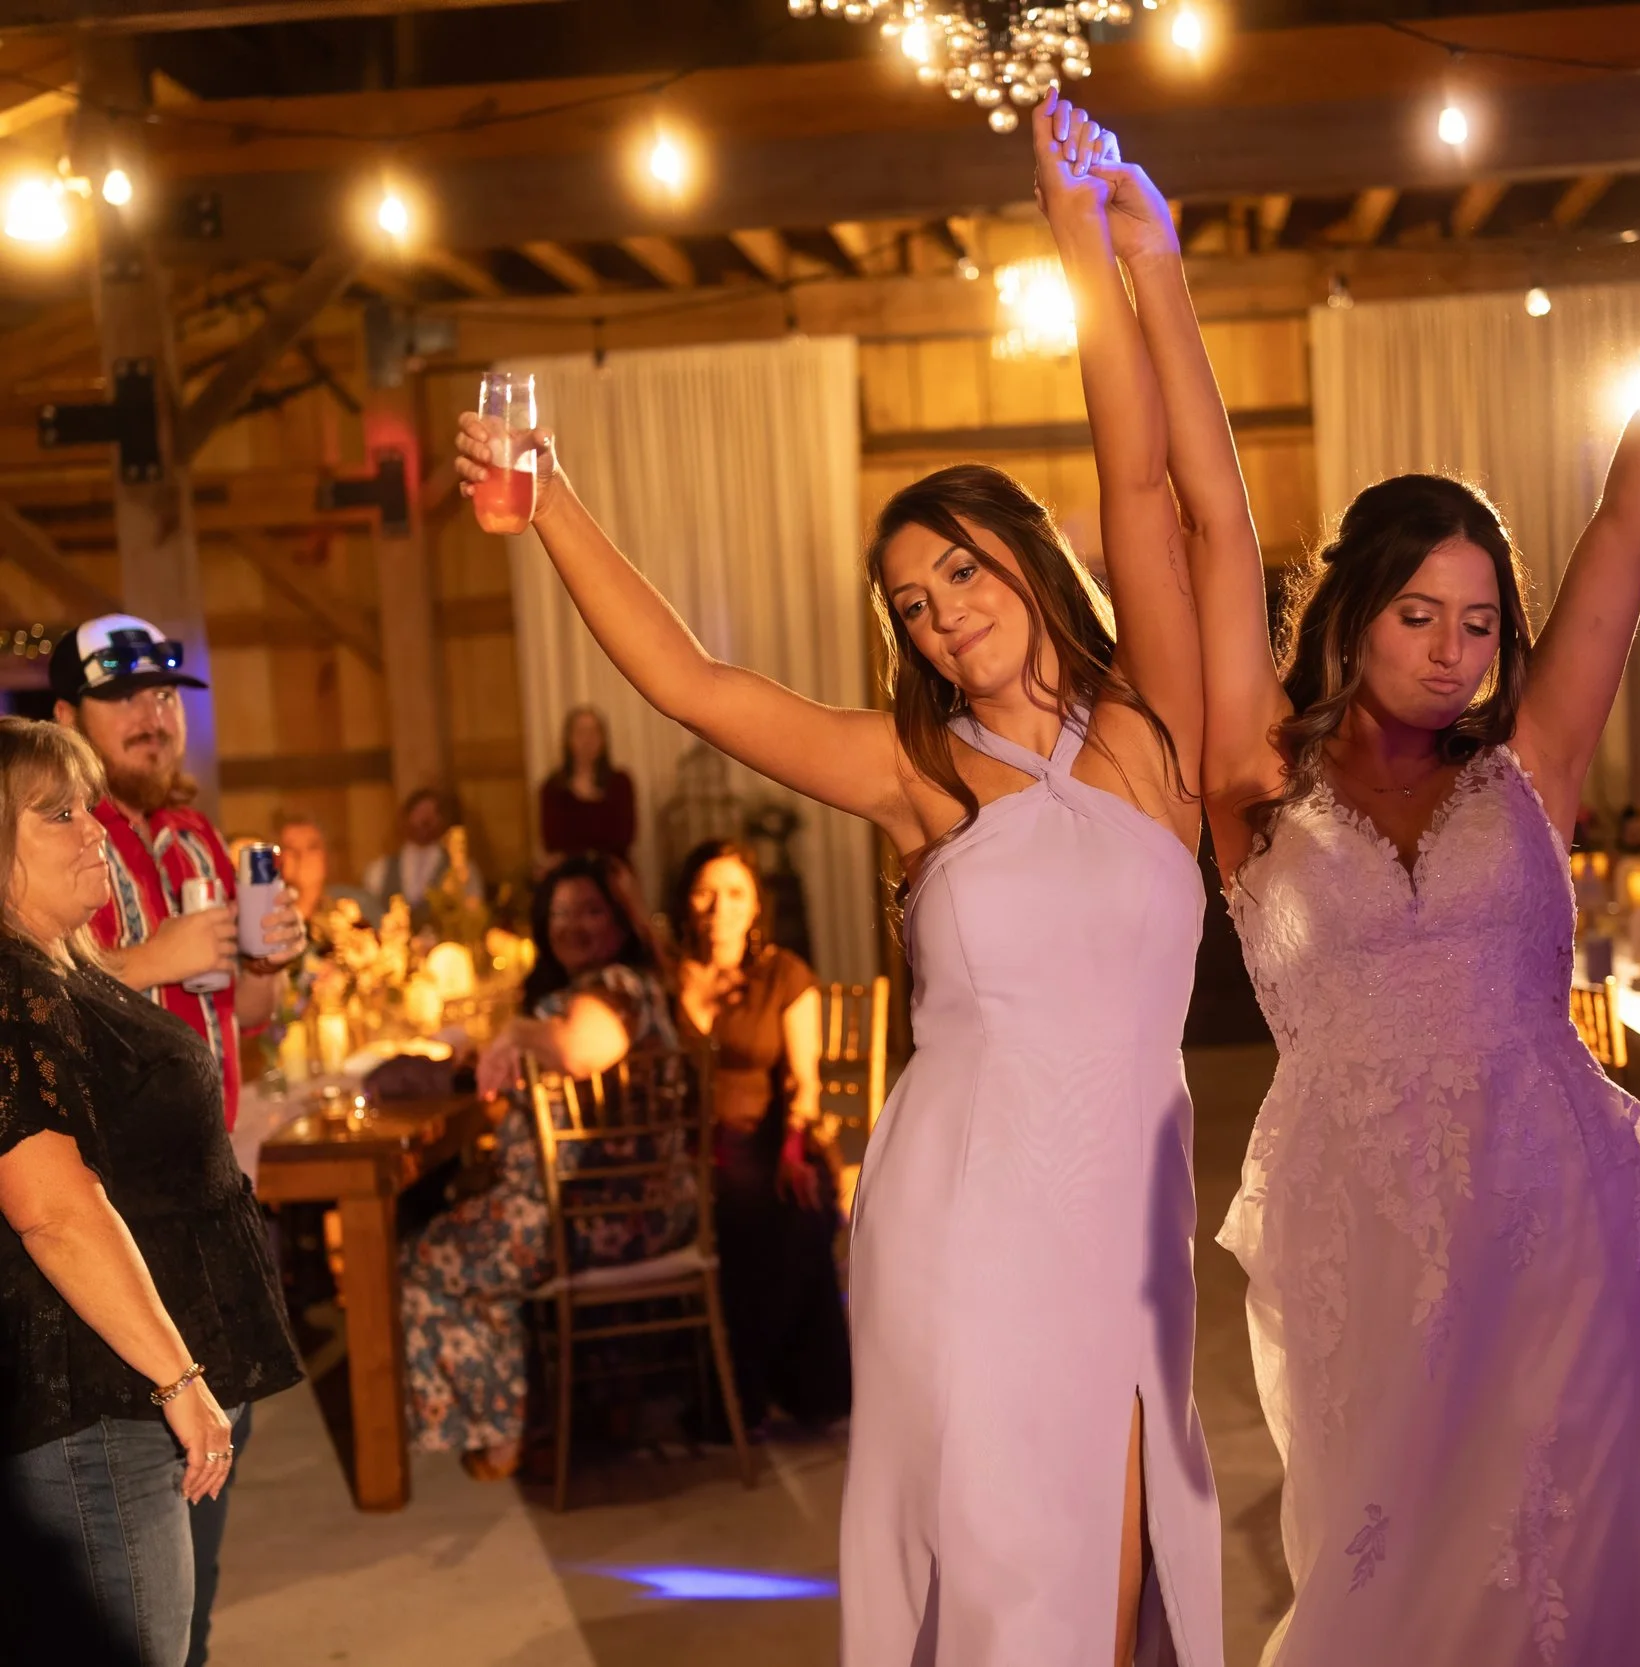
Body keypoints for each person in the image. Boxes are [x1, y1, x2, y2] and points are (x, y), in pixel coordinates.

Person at [447, 99, 1220, 1664]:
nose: (941, 617)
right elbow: (689, 681)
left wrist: (1102, 249)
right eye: (912, 605)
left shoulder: (1154, 731)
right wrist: (551, 508)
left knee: (1132, 1543)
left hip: (1131, 1206)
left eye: (961, 572)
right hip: (962, 1204)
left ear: (1021, 557)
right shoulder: (910, 771)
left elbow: (1145, 486)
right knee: (1002, 1559)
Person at [1116, 92, 1640, 1655]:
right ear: (1350, 614)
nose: (1456, 651)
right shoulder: (1253, 782)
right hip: (1359, 1230)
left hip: (1556, 1213)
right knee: (1385, 1573)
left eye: (1479, 621)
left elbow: (1636, 498)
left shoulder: (1528, 763)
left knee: (1564, 1570)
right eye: (1420, 615)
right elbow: (1206, 513)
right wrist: (1152, 272)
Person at [0, 716, 301, 1667]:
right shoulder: (11, 987)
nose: (94, 831)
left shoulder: (61, 966)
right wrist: (178, 1378)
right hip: (101, 1400)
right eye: (59, 814)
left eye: (89, 806)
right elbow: (52, 1207)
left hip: (137, 1386)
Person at [399, 853, 679, 1481]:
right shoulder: (587, 991)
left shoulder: (618, 988)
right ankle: (535, 1414)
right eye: (559, 914)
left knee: (423, 1258)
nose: (573, 925)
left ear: (621, 920)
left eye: (590, 910)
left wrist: (520, 1033)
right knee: (461, 1218)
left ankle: (500, 1431)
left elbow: (579, 1051)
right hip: (616, 1207)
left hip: (598, 1214)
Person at [666, 838, 850, 1431]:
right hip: (687, 1145)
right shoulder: (664, 976)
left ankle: (787, 1388)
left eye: (735, 893)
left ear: (755, 907)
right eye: (705, 892)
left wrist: (795, 1148)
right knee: (734, 1201)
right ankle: (738, 1393)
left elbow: (804, 1081)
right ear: (686, 902)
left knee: (795, 1203)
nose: (720, 907)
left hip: (770, 1136)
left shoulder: (784, 974)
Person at [363, 786, 484, 928]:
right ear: (406, 817)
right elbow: (369, 914)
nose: (425, 821)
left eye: (433, 814)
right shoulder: (379, 870)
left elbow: (474, 914)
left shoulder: (463, 871)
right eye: (419, 813)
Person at [538, 705, 638, 871]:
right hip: (568, 869)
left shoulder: (620, 783)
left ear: (603, 740)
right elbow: (553, 842)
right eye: (580, 733)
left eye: (594, 732)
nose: (587, 740)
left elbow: (623, 838)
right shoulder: (552, 788)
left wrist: (585, 851)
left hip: (611, 868)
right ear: (568, 739)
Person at [272, 811, 380, 943]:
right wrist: (304, 903)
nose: (302, 856)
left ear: (327, 856)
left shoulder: (358, 904)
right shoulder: (267, 911)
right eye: (290, 848)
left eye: (312, 847)